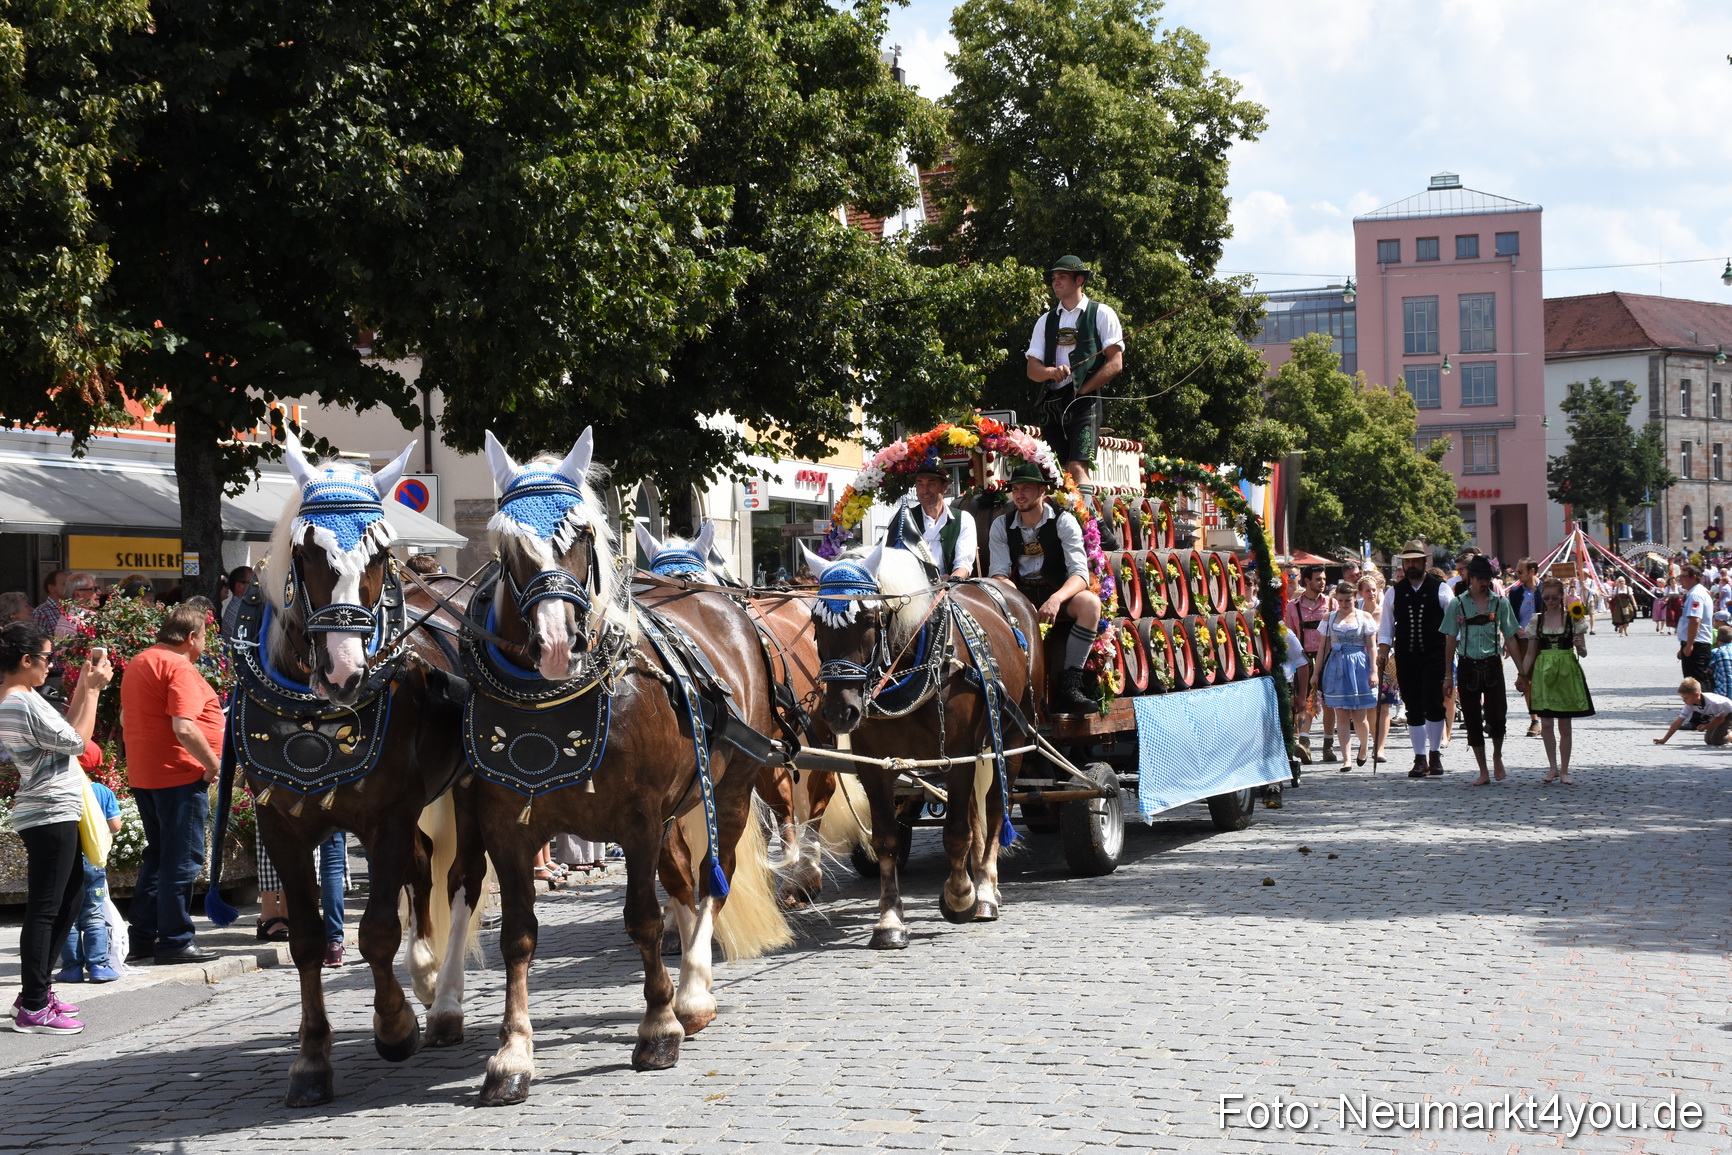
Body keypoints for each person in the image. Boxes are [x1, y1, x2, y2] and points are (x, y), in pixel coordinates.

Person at [1, 622, 114, 1033]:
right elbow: (79, 742)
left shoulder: (25, 695)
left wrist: (85, 685)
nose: (51, 665)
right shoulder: (17, 702)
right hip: (48, 811)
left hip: (55, 809)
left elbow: (66, 730)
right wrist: (94, 691)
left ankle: (37, 992)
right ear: (25, 660)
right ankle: (34, 1006)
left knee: (70, 896)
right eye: (47, 658)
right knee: (46, 908)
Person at [121, 604, 224, 965]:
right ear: (192, 636)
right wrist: (213, 765)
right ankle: (175, 941)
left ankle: (143, 938)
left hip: (147, 773)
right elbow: (184, 726)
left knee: (159, 856)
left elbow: (125, 717)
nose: (205, 644)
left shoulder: (140, 661)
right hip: (179, 774)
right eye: (204, 636)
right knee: (181, 859)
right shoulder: (179, 667)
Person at [988, 463, 1102, 712]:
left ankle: (1069, 686)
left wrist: (1056, 599)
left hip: (1057, 591)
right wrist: (1020, 602)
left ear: (1042, 491)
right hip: (1019, 592)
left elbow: (1080, 575)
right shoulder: (1001, 525)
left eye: (1026, 488)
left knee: (1091, 605)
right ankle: (1007, 687)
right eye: (1015, 489)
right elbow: (998, 574)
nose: (1019, 495)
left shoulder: (1063, 521)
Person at [1023, 255, 1125, 488]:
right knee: (1055, 469)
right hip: (1051, 401)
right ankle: (1063, 510)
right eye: (1053, 278)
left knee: (1078, 465)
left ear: (1079, 280)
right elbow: (1032, 369)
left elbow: (1115, 363)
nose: (1055, 282)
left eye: (1062, 277)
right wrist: (1050, 372)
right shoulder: (1045, 321)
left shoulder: (1101, 313)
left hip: (1084, 401)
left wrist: (1084, 390)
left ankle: (1084, 511)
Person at [1378, 539, 1455, 778]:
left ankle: (1435, 754)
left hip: (1435, 655)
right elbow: (1386, 627)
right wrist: (1382, 651)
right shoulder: (1394, 592)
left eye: (1415, 561)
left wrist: (1452, 659)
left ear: (1424, 562)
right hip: (1406, 657)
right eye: (1407, 561)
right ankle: (1420, 757)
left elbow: (1452, 628)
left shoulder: (1441, 589)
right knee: (1413, 705)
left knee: (1434, 703)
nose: (1411, 565)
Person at [1441, 555, 1520, 786]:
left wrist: (1522, 672)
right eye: (1481, 578)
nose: (1485, 582)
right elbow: (1450, 640)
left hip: (1492, 664)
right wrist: (1448, 675)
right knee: (1472, 719)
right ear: (1471, 578)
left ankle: (1497, 756)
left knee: (1498, 716)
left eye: (1488, 578)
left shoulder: (1500, 602)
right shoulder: (1458, 603)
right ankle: (1483, 771)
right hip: (1467, 666)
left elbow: (1511, 637)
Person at [1515, 578, 1593, 784]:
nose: (1550, 601)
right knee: (1547, 724)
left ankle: (1565, 770)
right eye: (1546, 597)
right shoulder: (1537, 620)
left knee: (1565, 726)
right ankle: (1553, 768)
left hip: (1566, 671)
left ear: (1562, 596)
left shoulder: (1573, 619)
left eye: (1554, 597)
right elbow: (1530, 653)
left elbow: (1584, 653)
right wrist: (1522, 674)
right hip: (1544, 672)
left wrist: (1579, 645)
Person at [56, 777, 124, 983]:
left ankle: (72, 968)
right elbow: (115, 826)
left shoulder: (59, 788)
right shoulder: (101, 791)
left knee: (68, 915)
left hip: (64, 860)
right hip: (93, 860)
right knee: (93, 913)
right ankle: (98, 966)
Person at [1314, 581, 1378, 768]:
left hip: (1359, 665)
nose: (1344, 604)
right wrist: (1316, 673)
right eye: (1340, 600)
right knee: (1341, 715)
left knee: (1359, 716)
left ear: (1355, 598)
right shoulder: (1329, 618)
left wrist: (1374, 671)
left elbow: (1372, 646)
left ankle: (1364, 747)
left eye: (1347, 600)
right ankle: (1346, 759)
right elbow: (1323, 648)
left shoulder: (1364, 617)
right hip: (1336, 666)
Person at [886, 460, 977, 580]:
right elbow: (889, 559)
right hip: (910, 588)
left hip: (950, 587)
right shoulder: (902, 519)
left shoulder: (963, 520)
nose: (925, 491)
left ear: (944, 487)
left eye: (931, 484)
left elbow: (963, 565)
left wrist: (949, 583)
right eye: (920, 485)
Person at [1283, 566, 1331, 762]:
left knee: (1329, 703)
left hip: (1327, 658)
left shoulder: (1331, 603)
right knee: (1304, 700)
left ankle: (1328, 745)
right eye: (1318, 579)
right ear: (1307, 581)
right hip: (1304, 659)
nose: (1322, 582)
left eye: (1324, 579)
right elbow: (1290, 636)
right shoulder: (1292, 607)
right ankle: (1304, 743)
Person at [1359, 573, 1396, 765]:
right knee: (1370, 707)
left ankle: (1381, 747)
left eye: (1374, 590)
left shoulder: (1384, 612)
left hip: (1384, 662)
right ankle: (1374, 742)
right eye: (1367, 590)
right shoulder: (1357, 612)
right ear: (1360, 593)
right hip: (1363, 663)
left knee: (1384, 705)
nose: (1371, 593)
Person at [1655, 678, 1732, 746]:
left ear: (1696, 695)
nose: (1684, 701)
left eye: (1686, 698)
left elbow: (1720, 718)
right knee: (1708, 740)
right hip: (1718, 715)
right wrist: (1664, 739)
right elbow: (1678, 722)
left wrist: (1707, 726)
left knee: (1716, 741)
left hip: (1728, 714)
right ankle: (1724, 731)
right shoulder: (1689, 705)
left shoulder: (1713, 703)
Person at [1676, 563, 1713, 686]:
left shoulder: (1695, 595)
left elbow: (1695, 620)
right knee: (1695, 681)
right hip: (1695, 642)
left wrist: (1689, 645)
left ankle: (1702, 699)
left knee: (1696, 683)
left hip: (1697, 644)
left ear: (1693, 577)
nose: (1680, 579)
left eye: (1683, 576)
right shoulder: (1696, 592)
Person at [220, 566, 254, 638]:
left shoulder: (243, 605)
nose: (257, 585)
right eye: (252, 582)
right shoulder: (240, 610)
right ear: (239, 586)